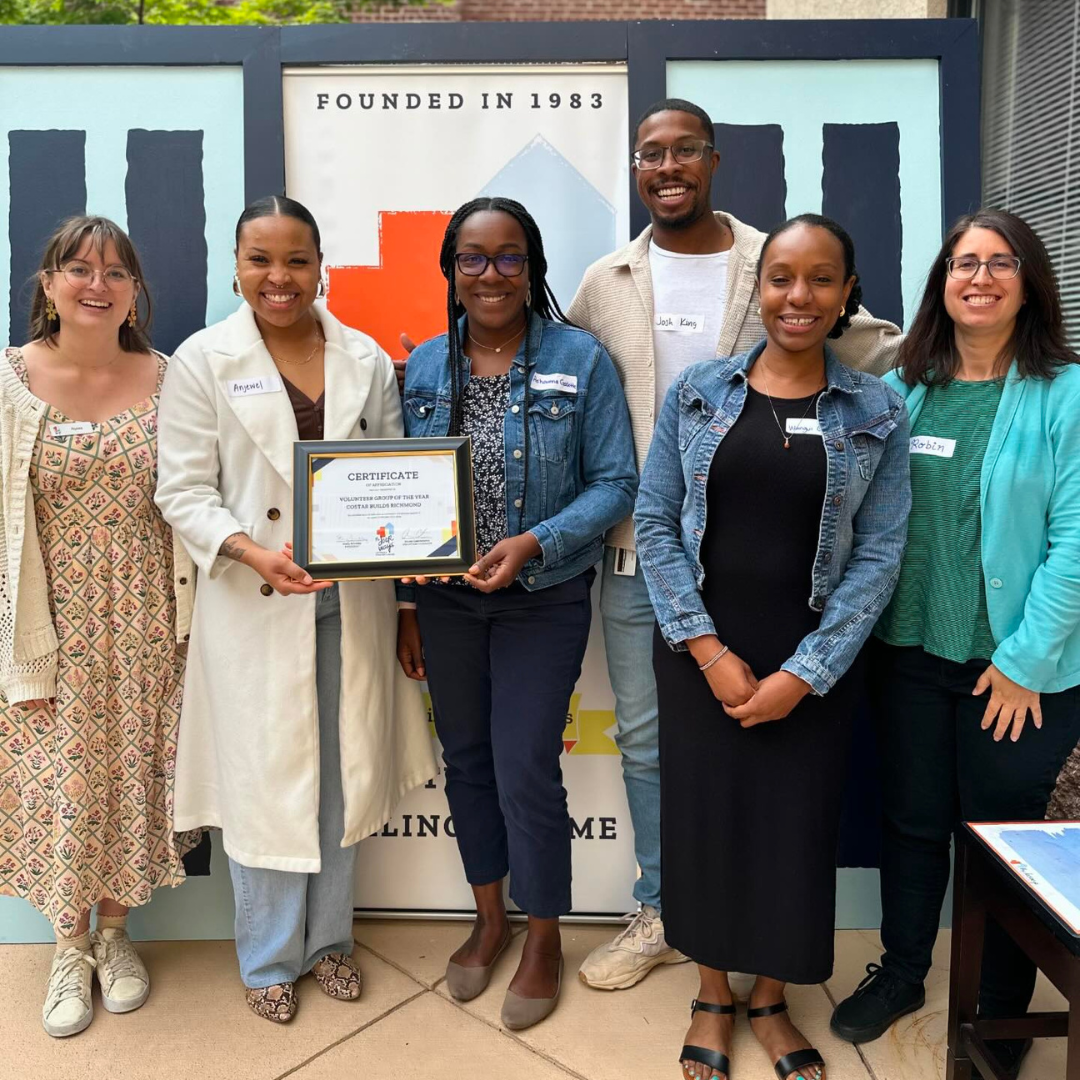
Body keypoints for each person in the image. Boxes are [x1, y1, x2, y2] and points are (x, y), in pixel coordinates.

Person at [567, 97, 904, 991]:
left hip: (800, 592)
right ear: (635, 168)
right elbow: (573, 384)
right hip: (653, 559)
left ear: (713, 161)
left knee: (785, 787)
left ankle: (761, 973)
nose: (666, 167)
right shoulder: (608, 282)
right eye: (650, 154)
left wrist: (811, 667)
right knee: (655, 750)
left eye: (684, 151)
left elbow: (874, 360)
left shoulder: (774, 255)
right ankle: (662, 910)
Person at [635, 214, 910, 1080]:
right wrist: (709, 650)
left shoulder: (877, 408)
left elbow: (880, 551)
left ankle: (770, 999)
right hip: (700, 653)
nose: (799, 296)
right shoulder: (697, 393)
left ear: (846, 293)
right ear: (758, 288)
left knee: (794, 831)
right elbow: (653, 523)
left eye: (820, 279)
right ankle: (714, 993)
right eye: (782, 277)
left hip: (814, 660)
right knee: (708, 826)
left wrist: (807, 671)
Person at [155, 196, 435, 1023]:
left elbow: (399, 477)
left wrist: (410, 596)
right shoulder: (202, 360)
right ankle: (269, 958)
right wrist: (249, 550)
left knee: (342, 778)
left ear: (321, 266)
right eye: (260, 260)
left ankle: (329, 945)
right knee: (266, 781)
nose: (279, 278)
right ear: (236, 267)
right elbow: (183, 489)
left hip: (353, 604)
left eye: (296, 260)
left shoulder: (366, 358)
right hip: (254, 600)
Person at [830, 209, 1080, 1080]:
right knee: (911, 822)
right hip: (909, 656)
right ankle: (903, 972)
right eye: (964, 263)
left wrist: (1023, 662)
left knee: (1001, 838)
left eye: (1000, 262)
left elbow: (1076, 541)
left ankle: (998, 1016)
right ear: (942, 283)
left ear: (1028, 280)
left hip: (1019, 672)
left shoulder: (1068, 391)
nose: (980, 277)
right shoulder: (907, 389)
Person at [396, 197, 637, 1030]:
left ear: (531, 266)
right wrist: (406, 602)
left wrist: (534, 542)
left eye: (508, 258)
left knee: (525, 764)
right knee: (466, 760)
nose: (490, 274)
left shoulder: (583, 358)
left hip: (544, 598)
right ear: (450, 270)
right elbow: (399, 492)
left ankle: (543, 933)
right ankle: (489, 916)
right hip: (449, 603)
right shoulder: (424, 366)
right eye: (472, 258)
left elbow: (617, 483)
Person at [0, 215, 200, 1037]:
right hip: (48, 624)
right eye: (79, 269)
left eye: (116, 272)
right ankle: (66, 946)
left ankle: (117, 936)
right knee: (63, 786)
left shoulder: (169, 377)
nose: (97, 284)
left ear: (134, 293)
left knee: (136, 774)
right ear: (47, 284)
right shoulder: (9, 379)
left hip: (150, 614)